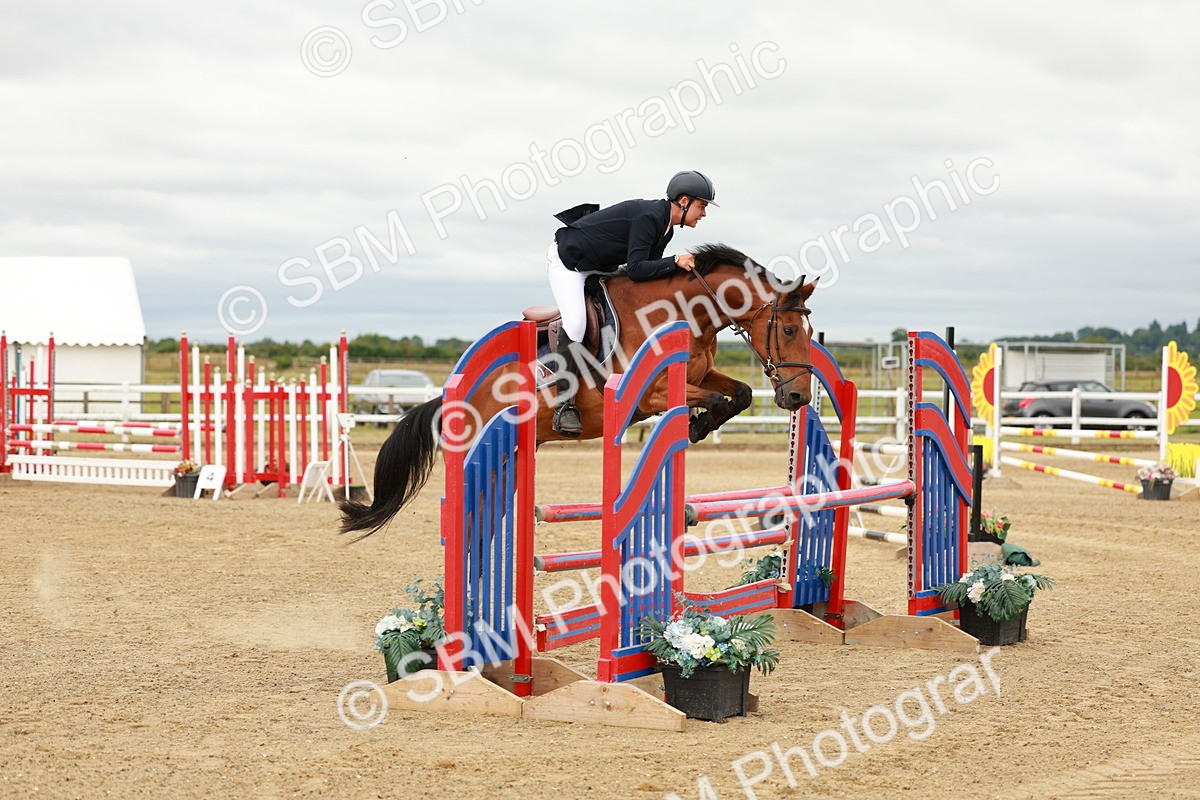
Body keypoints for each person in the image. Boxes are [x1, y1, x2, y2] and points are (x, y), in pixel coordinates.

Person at [546, 170, 717, 436]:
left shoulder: (665, 230)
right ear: (683, 201)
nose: (704, 213)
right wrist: (674, 261)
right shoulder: (649, 217)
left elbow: (646, 278)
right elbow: (637, 269)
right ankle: (563, 405)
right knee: (577, 323)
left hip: (599, 267)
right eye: (702, 206)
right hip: (570, 263)